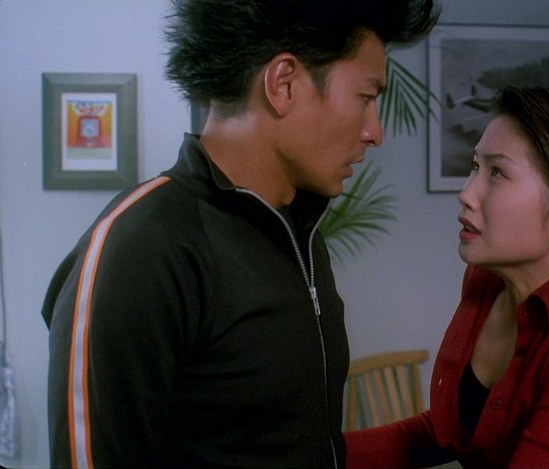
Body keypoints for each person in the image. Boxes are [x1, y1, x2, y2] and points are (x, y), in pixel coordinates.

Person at [41, 1, 438, 467]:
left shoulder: (301, 235)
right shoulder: (142, 245)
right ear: (283, 84)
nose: (375, 132)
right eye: (367, 98)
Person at [346, 87, 549, 469]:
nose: (466, 193)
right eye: (476, 166)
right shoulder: (488, 283)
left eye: (497, 173)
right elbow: (457, 431)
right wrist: (321, 453)